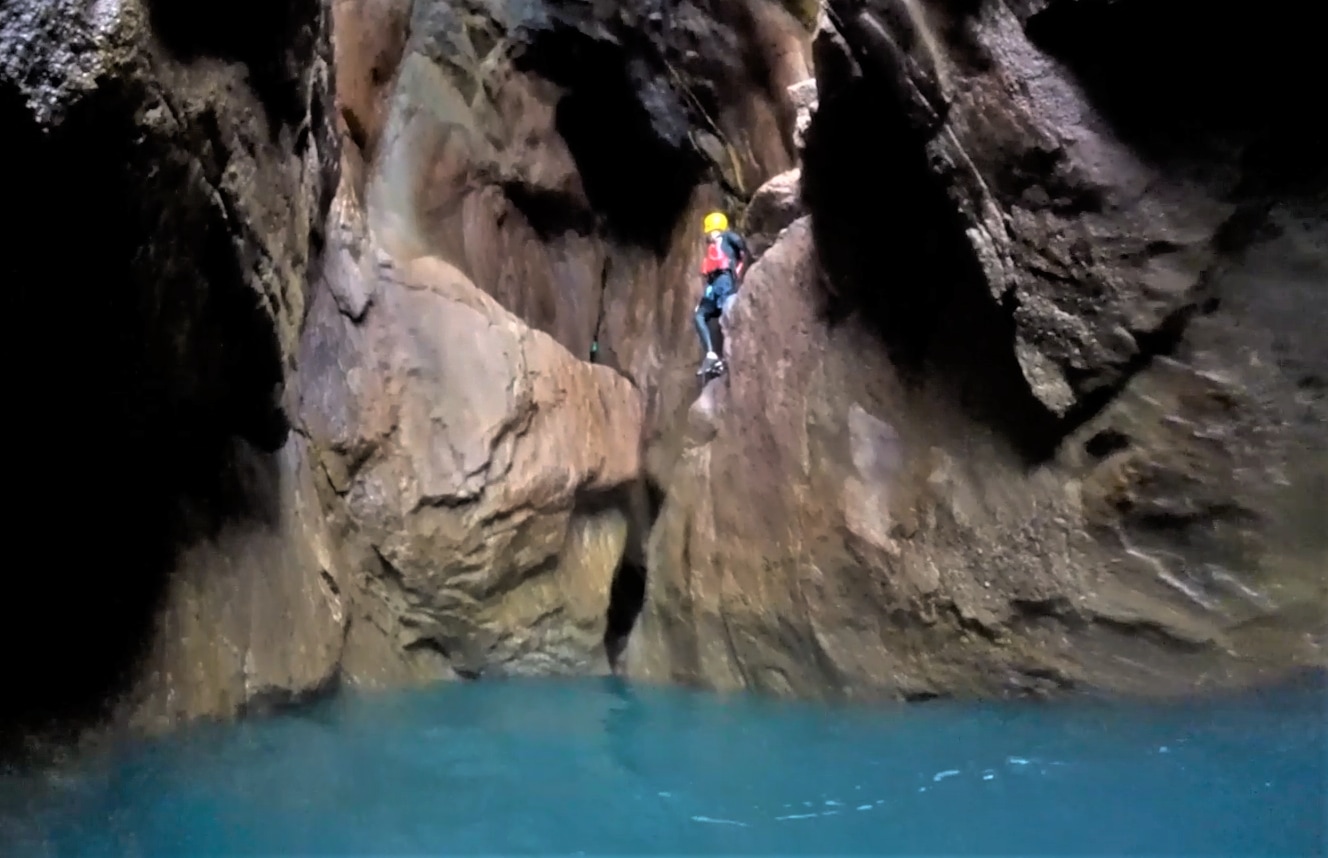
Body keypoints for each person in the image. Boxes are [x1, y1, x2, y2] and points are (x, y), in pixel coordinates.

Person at [693, 210, 749, 377]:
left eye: (710, 230)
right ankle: (711, 356)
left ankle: (730, 355)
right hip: (714, 284)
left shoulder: (727, 237)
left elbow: (742, 248)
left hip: (725, 280)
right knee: (699, 315)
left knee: (727, 312)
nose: (709, 234)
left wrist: (737, 269)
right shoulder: (712, 247)